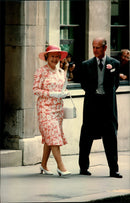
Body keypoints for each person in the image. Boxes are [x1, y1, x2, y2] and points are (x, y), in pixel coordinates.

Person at [79, 37, 122, 178]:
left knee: (110, 137)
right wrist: (95, 93)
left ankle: (113, 169)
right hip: (91, 105)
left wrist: (106, 94)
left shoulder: (114, 63)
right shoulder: (86, 65)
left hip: (108, 106)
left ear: (105, 48)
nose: (95, 50)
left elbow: (116, 84)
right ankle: (83, 168)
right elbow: (83, 84)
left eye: (98, 47)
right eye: (93, 47)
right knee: (86, 137)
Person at [33, 45, 71, 176]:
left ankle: (43, 165)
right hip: (45, 109)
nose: (55, 59)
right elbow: (35, 90)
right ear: (46, 57)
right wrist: (52, 94)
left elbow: (63, 87)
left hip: (58, 109)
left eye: (57, 56)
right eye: (52, 56)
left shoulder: (61, 71)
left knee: (50, 137)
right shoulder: (41, 71)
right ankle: (61, 167)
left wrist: (64, 93)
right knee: (54, 136)